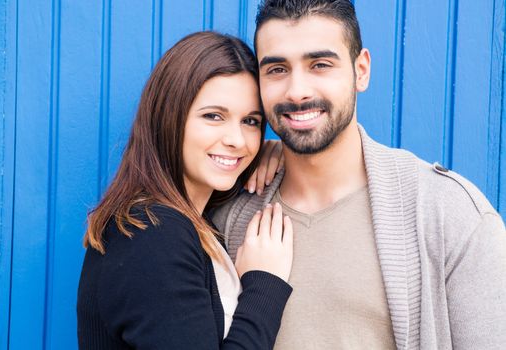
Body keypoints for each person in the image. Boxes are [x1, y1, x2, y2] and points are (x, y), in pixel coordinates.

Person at [212, 1, 506, 349]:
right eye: (277, 69)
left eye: (320, 64)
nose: (297, 91)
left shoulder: (450, 215)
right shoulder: (226, 213)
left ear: (361, 70)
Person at [77, 31, 294, 349]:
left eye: (250, 121)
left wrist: (274, 152)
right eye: (214, 116)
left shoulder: (186, 222)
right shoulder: (152, 232)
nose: (237, 139)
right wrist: (264, 284)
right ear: (169, 116)